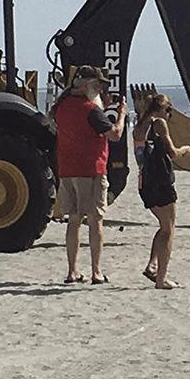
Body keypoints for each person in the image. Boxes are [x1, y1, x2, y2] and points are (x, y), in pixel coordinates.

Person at [52, 65, 126, 284]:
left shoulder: (62, 107)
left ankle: (72, 270)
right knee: (95, 220)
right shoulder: (90, 109)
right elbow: (115, 134)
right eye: (97, 86)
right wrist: (121, 115)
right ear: (87, 86)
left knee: (73, 220)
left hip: (68, 169)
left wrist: (104, 108)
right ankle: (96, 271)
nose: (100, 90)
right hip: (91, 169)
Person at [139, 92, 190, 288]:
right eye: (169, 110)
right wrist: (185, 149)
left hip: (145, 181)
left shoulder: (140, 125)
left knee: (163, 226)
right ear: (162, 109)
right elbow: (172, 152)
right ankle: (161, 278)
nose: (169, 115)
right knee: (169, 229)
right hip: (160, 181)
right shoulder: (158, 124)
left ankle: (152, 265)